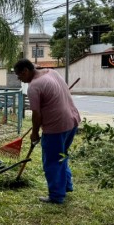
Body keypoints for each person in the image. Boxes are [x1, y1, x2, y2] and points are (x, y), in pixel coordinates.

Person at [13, 59, 81, 204]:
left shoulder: (34, 87)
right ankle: (66, 186)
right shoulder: (52, 72)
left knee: (52, 161)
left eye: (20, 76)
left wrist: (35, 133)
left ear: (26, 71)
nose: (21, 80)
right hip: (72, 122)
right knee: (62, 155)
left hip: (56, 127)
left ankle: (56, 196)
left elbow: (37, 115)